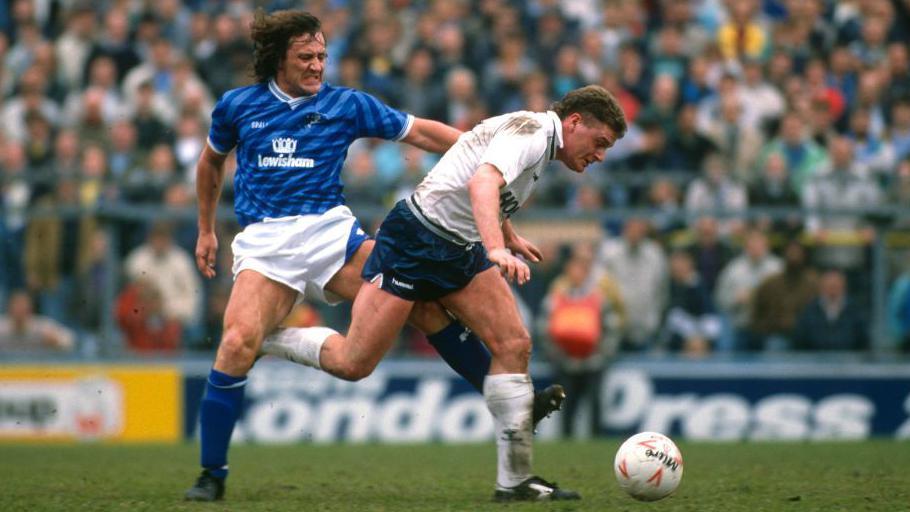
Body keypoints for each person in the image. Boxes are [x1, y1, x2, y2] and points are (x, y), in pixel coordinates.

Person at [184, 11, 563, 502]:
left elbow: (422, 133)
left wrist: (482, 150)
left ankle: (516, 405)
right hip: (266, 244)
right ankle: (211, 474)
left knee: (421, 300)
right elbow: (211, 163)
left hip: (333, 236)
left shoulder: (346, 104)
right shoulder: (237, 106)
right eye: (306, 57)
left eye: (322, 55)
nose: (318, 65)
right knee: (236, 344)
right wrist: (205, 229)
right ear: (279, 58)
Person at [263, 85, 627, 500]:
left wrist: (508, 235)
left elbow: (486, 180)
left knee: (514, 344)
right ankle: (267, 339)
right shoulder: (530, 133)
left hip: (458, 248)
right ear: (574, 122)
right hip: (414, 241)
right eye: (599, 143)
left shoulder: (539, 141)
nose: (599, 156)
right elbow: (482, 185)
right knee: (353, 363)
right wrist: (495, 247)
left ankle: (515, 482)